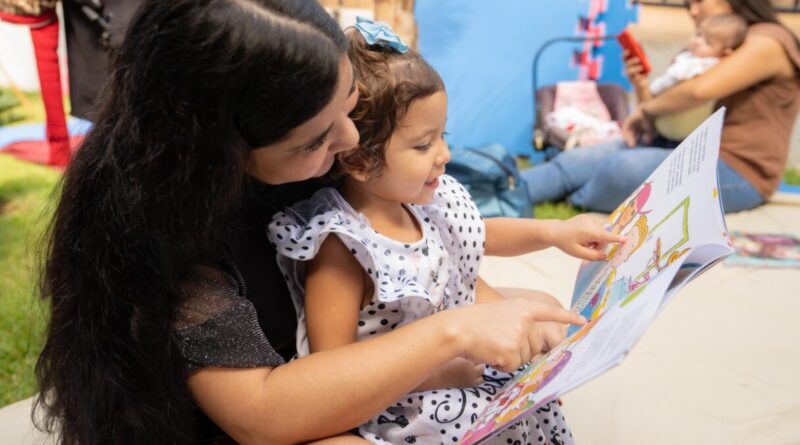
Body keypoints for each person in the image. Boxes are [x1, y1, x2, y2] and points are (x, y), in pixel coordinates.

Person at [33, 1, 588, 444]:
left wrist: (494, 318)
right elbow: (263, 416)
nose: (351, 143)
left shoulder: (327, 163)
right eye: (317, 137)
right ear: (221, 152)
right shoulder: (164, 242)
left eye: (350, 106)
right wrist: (452, 333)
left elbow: (440, 259)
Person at [267, 19, 624, 444]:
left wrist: (554, 232)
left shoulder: (423, 202)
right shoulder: (342, 246)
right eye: (423, 145)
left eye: (443, 135)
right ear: (359, 161)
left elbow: (480, 234)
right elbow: (335, 369)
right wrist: (433, 373)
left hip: (465, 357)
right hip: (406, 403)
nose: (445, 155)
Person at [521, 0, 800, 215]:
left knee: (622, 168)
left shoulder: (769, 39)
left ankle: (574, 196)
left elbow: (699, 91)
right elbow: (667, 109)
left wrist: (646, 109)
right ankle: (500, 194)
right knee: (576, 160)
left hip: (734, 168)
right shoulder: (704, 45)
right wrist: (642, 87)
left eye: (699, 1)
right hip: (674, 146)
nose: (692, 11)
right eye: (689, 4)